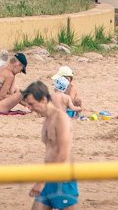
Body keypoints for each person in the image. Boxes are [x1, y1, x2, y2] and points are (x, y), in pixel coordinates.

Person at [22, 80, 78, 210]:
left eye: (31, 104)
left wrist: (41, 182)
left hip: (62, 179)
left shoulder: (61, 119)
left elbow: (62, 154)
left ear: (43, 99)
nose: (29, 108)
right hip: (48, 177)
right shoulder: (46, 121)